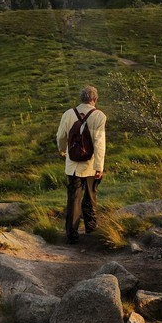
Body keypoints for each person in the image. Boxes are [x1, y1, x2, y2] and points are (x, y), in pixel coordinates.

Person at [56, 84, 106, 243]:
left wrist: (63, 151)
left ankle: (72, 235)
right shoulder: (99, 116)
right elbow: (99, 143)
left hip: (73, 164)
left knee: (73, 198)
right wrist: (99, 166)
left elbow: (60, 136)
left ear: (81, 98)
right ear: (95, 99)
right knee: (91, 196)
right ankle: (91, 229)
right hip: (91, 164)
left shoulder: (68, 114)